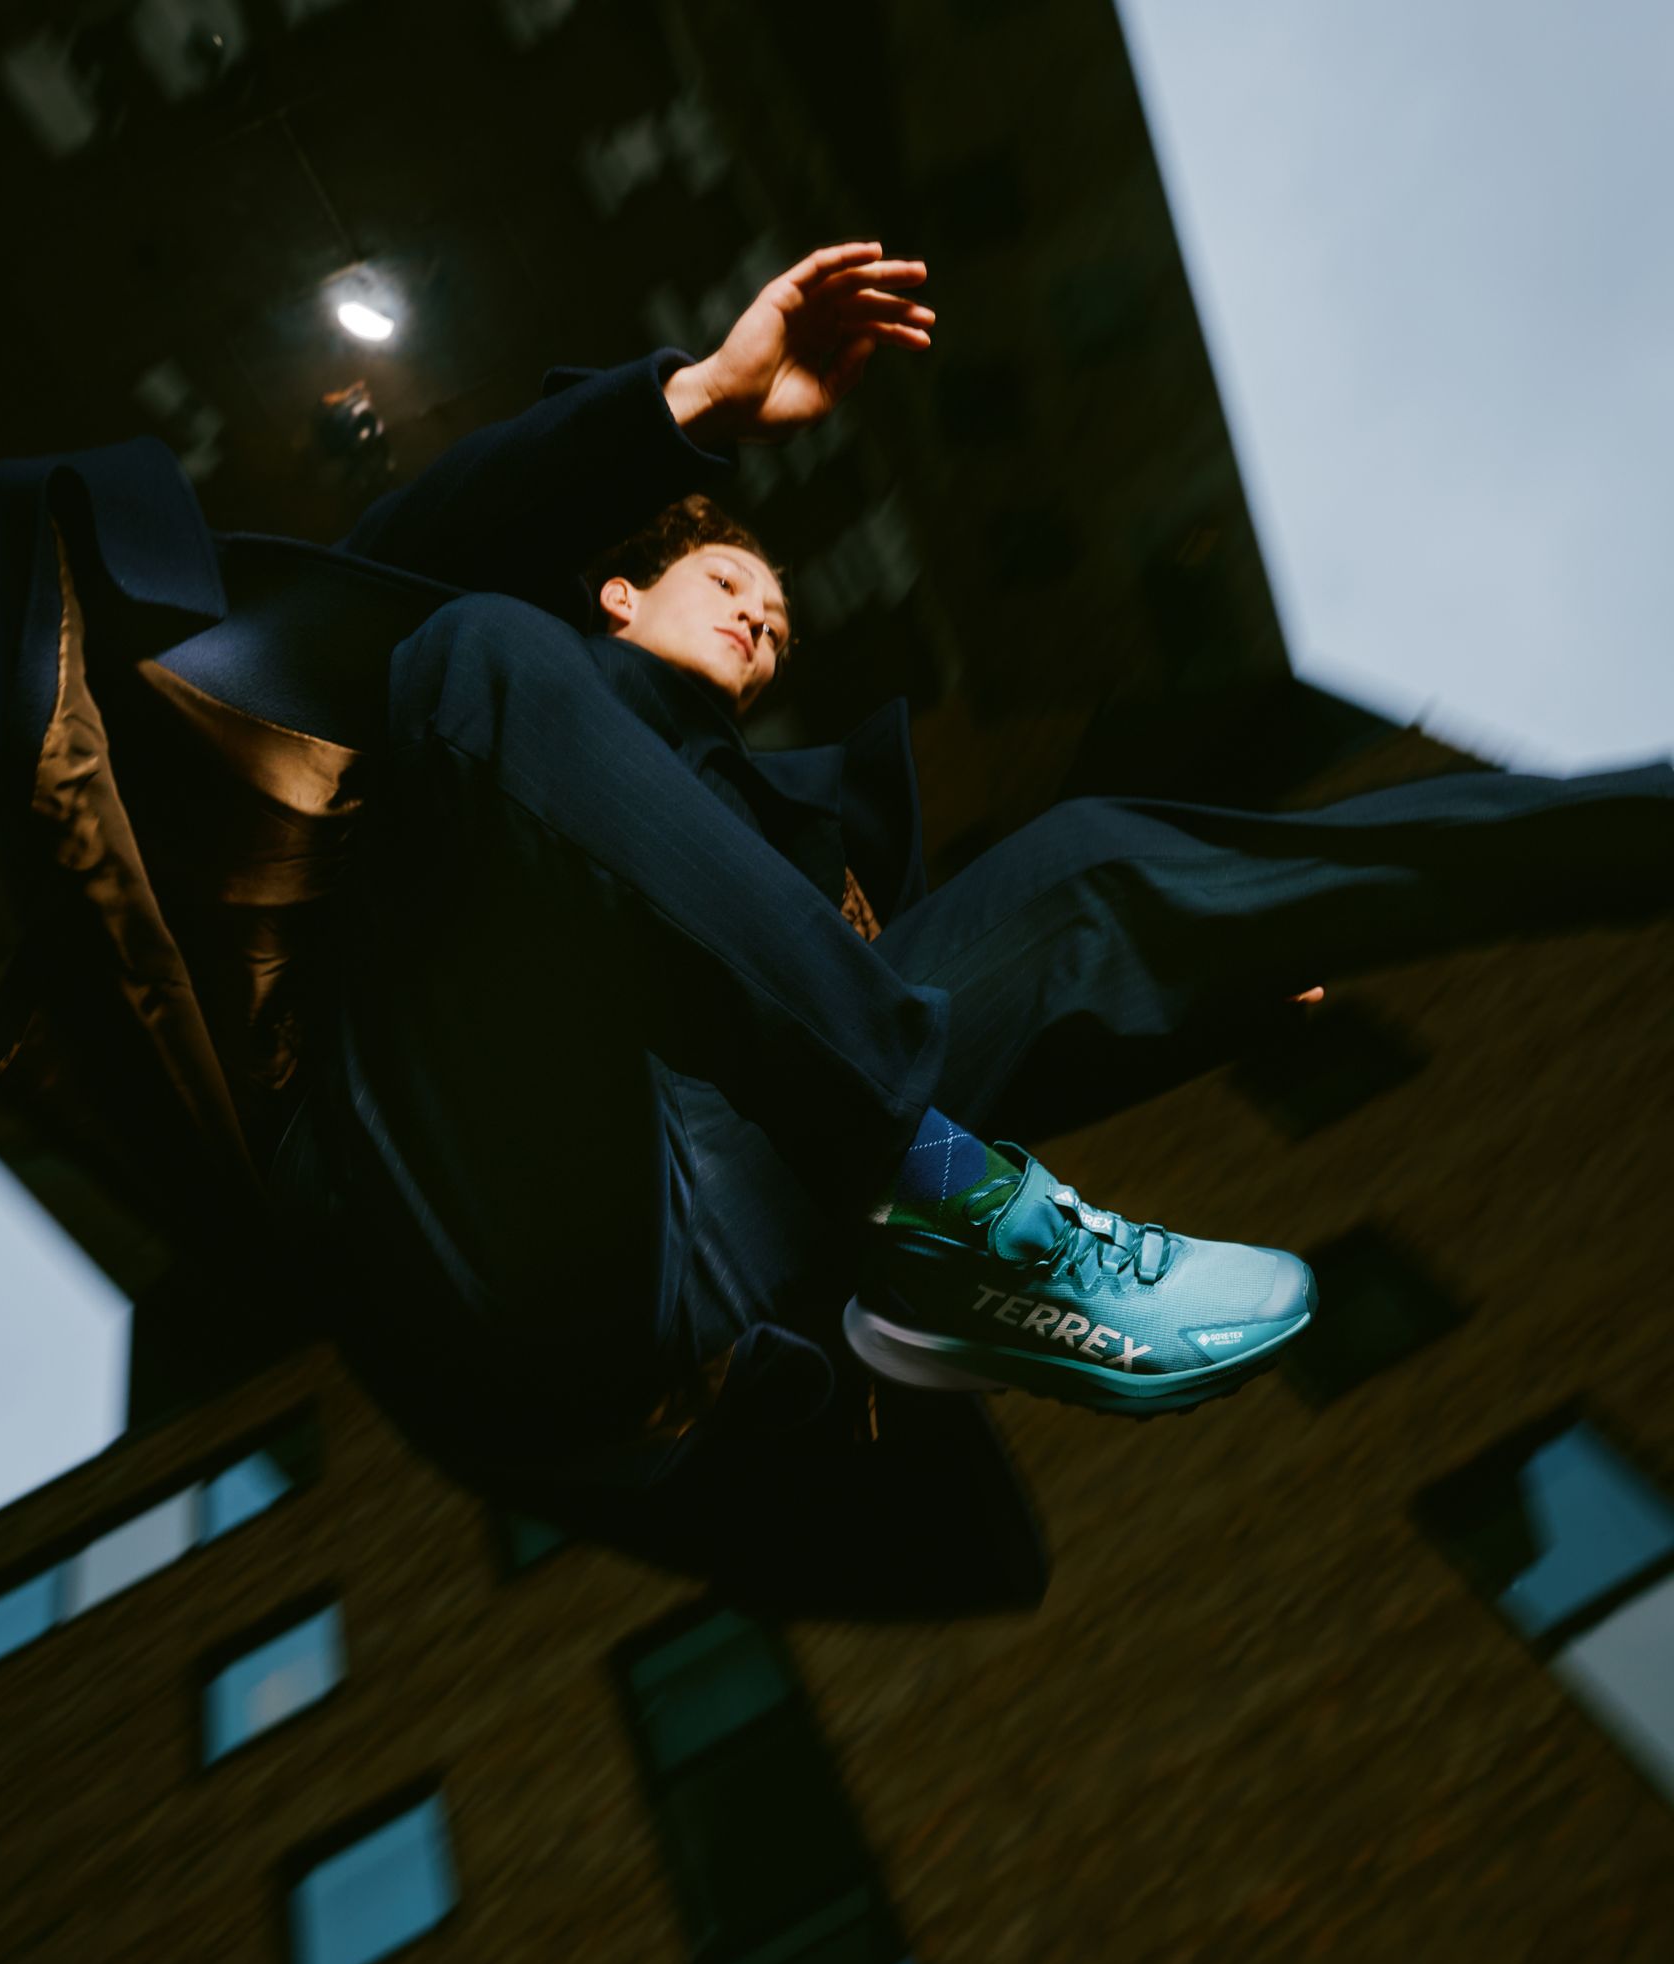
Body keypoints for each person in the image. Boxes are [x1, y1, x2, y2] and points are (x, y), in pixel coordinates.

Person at [258, 240, 1668, 1491]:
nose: (761, 617)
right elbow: (392, 567)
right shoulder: (512, 654)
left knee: (1086, 864)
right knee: (467, 652)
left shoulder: (803, 863)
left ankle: (1621, 837)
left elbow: (951, 1043)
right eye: (727, 586)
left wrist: (1212, 979)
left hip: (703, 1255)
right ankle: (939, 1199)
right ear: (622, 588)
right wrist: (696, 402)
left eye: (779, 612)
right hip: (476, 1186)